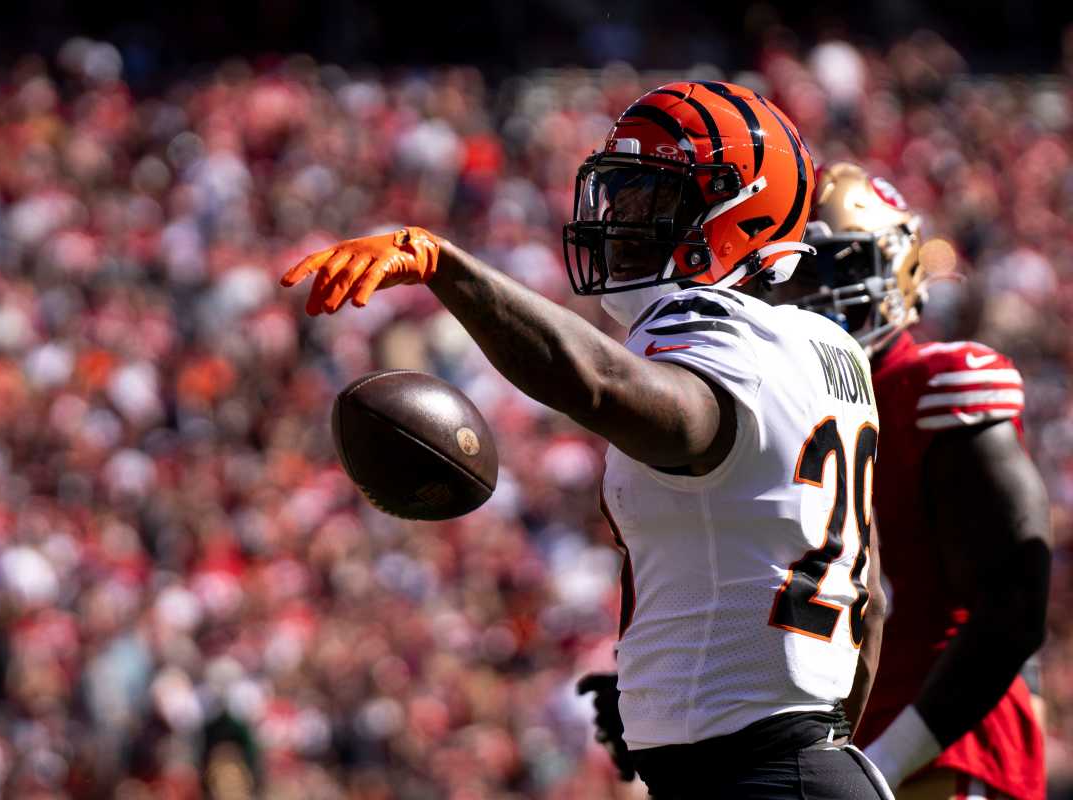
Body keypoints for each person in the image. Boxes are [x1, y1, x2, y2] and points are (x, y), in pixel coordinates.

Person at [281, 81, 891, 799]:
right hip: (788, 770)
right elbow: (868, 606)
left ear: (740, 207)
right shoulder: (828, 351)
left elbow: (610, 388)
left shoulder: (726, 342)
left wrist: (450, 269)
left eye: (651, 200)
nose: (624, 221)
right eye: (622, 196)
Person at [775, 162, 1051, 799]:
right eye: (799, 274)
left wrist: (885, 763)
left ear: (893, 269)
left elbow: (1013, 605)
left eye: (838, 267)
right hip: (839, 747)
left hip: (944, 752)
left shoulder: (936, 385)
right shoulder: (781, 404)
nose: (816, 293)